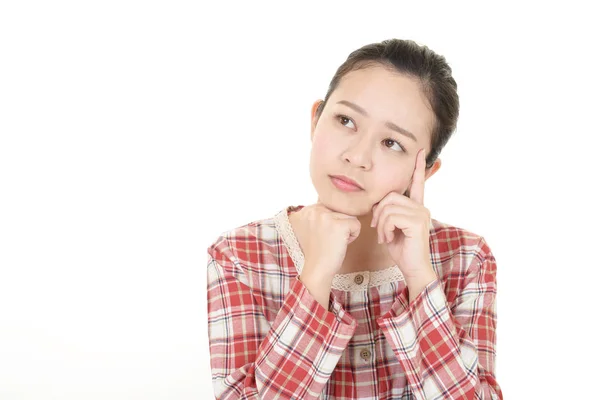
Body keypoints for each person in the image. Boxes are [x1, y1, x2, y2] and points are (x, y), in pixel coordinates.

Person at [206, 38, 503, 399]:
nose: (357, 156)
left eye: (392, 143)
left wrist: (419, 278)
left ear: (424, 171)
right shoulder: (240, 256)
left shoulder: (466, 258)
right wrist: (315, 277)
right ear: (316, 120)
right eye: (345, 120)